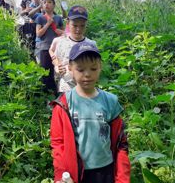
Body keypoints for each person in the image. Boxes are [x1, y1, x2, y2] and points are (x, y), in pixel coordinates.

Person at [50, 42, 131, 183]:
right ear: (70, 68)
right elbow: (58, 143)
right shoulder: (64, 104)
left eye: (93, 69)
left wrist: (122, 178)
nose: (87, 74)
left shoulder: (110, 102)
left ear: (100, 67)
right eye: (80, 70)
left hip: (106, 171)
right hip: (76, 174)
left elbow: (121, 144)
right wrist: (61, 174)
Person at [50, 5, 96, 94]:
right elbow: (56, 60)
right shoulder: (61, 42)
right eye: (75, 25)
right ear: (67, 23)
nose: (78, 29)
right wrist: (57, 67)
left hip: (85, 86)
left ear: (86, 25)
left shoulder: (91, 44)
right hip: (66, 86)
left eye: (82, 26)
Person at [35, 0, 64, 94]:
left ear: (54, 4)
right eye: (44, 2)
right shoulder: (40, 18)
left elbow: (65, 33)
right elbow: (38, 34)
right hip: (44, 48)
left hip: (56, 49)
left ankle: (56, 95)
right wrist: (48, 24)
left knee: (56, 72)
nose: (47, 4)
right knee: (45, 74)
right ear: (42, 5)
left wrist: (60, 32)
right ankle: (46, 97)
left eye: (49, 2)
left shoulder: (58, 18)